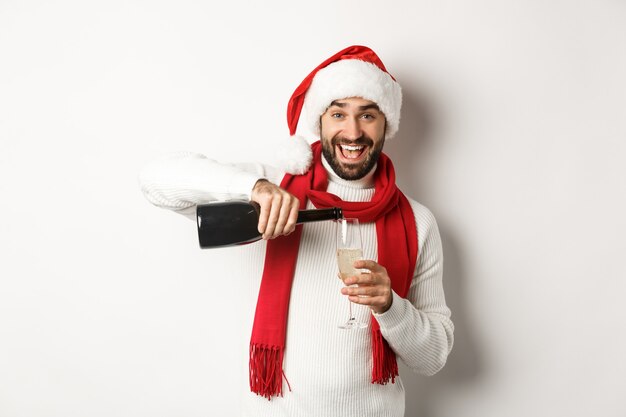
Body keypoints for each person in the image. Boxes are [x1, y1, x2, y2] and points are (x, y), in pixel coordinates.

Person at [139, 45, 454, 417]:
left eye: (367, 115)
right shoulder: (273, 188)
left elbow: (433, 357)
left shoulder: (418, 222)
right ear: (320, 120)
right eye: (339, 113)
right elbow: (155, 180)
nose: (352, 131)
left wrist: (390, 306)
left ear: (386, 122)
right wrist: (251, 189)